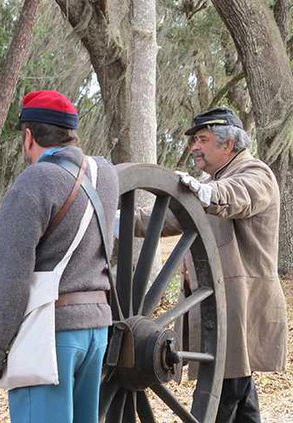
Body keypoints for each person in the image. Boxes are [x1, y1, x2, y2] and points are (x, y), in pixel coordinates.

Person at [0, 90, 118, 422]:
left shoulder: (36, 181)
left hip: (49, 336)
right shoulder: (105, 175)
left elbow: (8, 277)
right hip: (96, 331)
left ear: (29, 137)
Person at [138, 107, 287, 422]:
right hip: (215, 302)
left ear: (228, 145)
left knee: (221, 390)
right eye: (195, 140)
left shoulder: (254, 173)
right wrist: (117, 221)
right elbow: (165, 218)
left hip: (241, 301)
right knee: (238, 388)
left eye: (202, 139)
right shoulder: (208, 183)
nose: (194, 147)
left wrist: (205, 191)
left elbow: (236, 195)